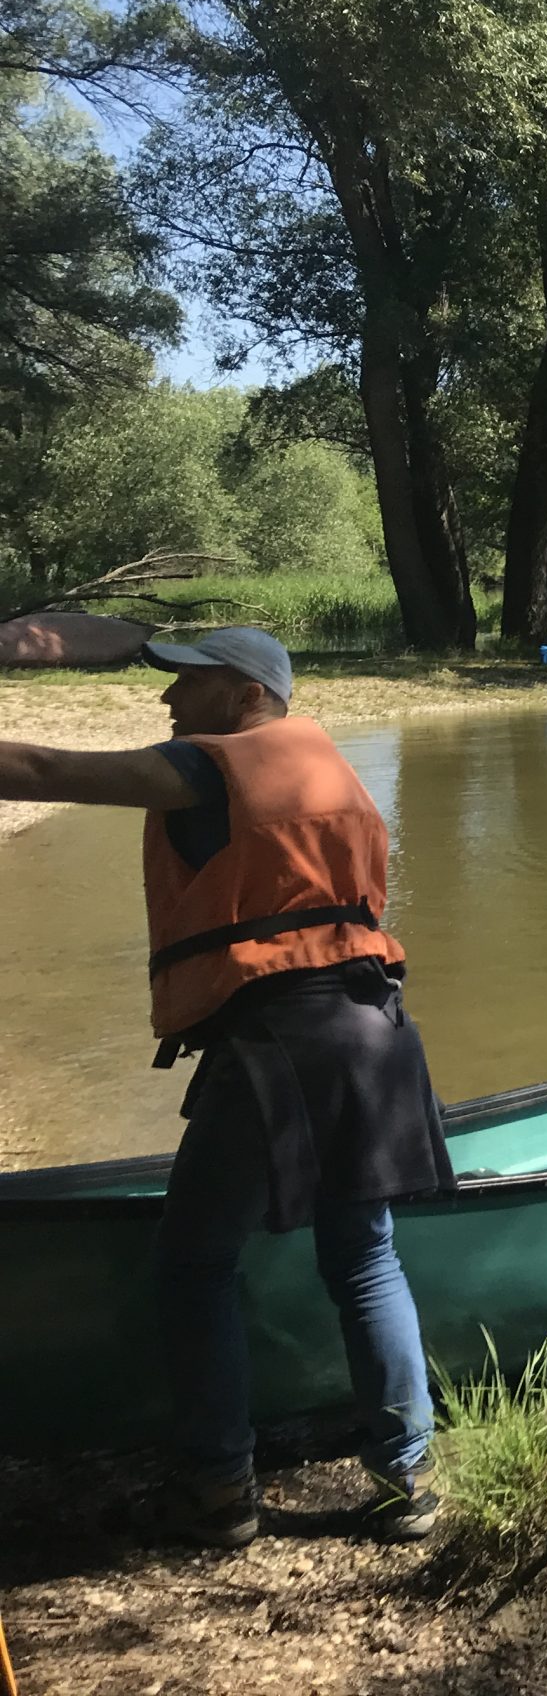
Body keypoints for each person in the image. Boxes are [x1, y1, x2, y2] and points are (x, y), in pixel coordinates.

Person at [0, 627, 452, 1548]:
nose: (169, 702)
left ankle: (218, 1489)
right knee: (365, 1256)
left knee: (194, 1263)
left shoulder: (214, 770)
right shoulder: (334, 775)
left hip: (280, 1043)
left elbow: (49, 769)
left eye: (187, 684)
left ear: (245, 694)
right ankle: (408, 1483)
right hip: (374, 1033)